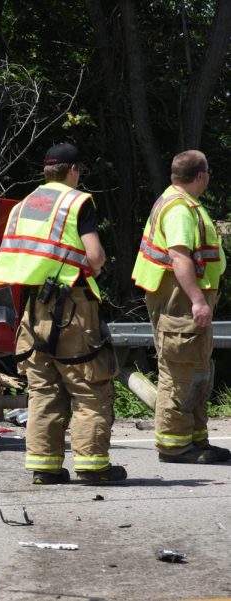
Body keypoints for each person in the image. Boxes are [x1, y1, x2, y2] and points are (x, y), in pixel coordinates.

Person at [0, 142, 127, 484]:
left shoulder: (23, 206)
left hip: (33, 308)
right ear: (73, 170)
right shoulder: (76, 202)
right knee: (88, 385)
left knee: (44, 388)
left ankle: (44, 467)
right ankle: (93, 466)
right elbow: (94, 257)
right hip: (73, 307)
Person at [131, 150, 230, 464]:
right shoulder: (179, 209)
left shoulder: (180, 202)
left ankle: (196, 440)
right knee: (180, 373)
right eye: (208, 172)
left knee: (197, 368)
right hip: (181, 300)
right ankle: (174, 447)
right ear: (200, 175)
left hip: (182, 299)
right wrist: (198, 300)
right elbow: (179, 257)